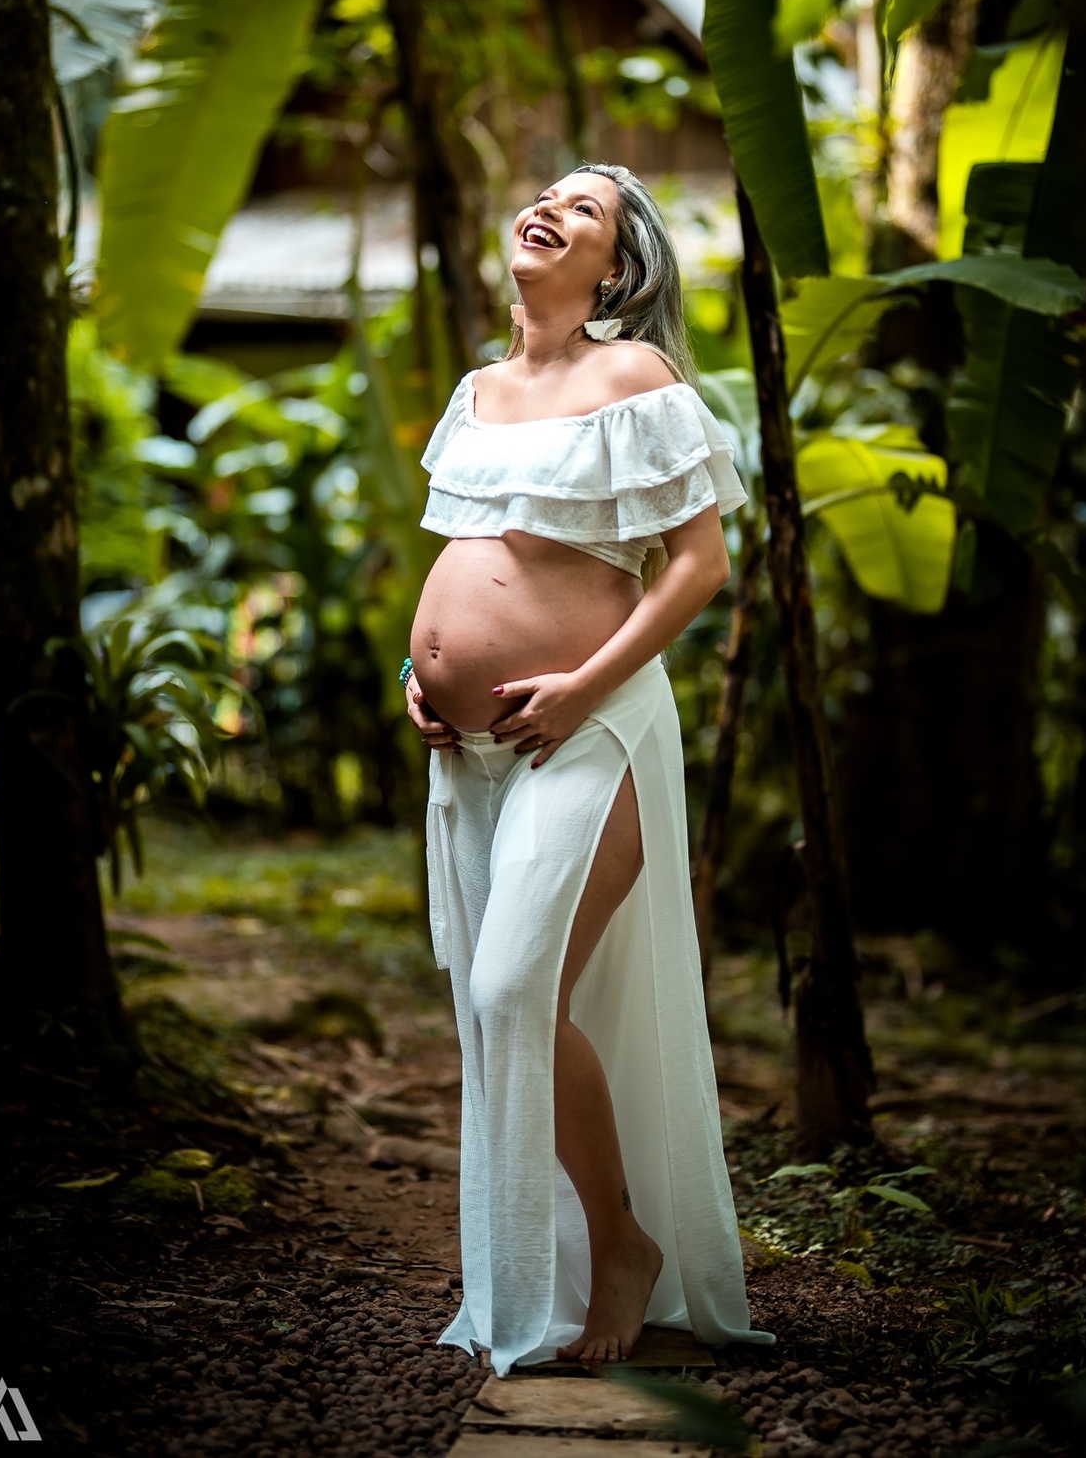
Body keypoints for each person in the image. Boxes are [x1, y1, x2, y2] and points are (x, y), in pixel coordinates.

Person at [400, 162, 775, 1379]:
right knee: (495, 999)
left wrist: (583, 683)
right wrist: (427, 677)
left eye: (590, 207)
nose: (553, 207)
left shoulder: (637, 377)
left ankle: (622, 1241)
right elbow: (472, 555)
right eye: (546, 192)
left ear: (613, 269)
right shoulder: (479, 390)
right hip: (472, 752)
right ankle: (566, 1255)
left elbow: (698, 562)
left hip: (590, 727)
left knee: (513, 986)